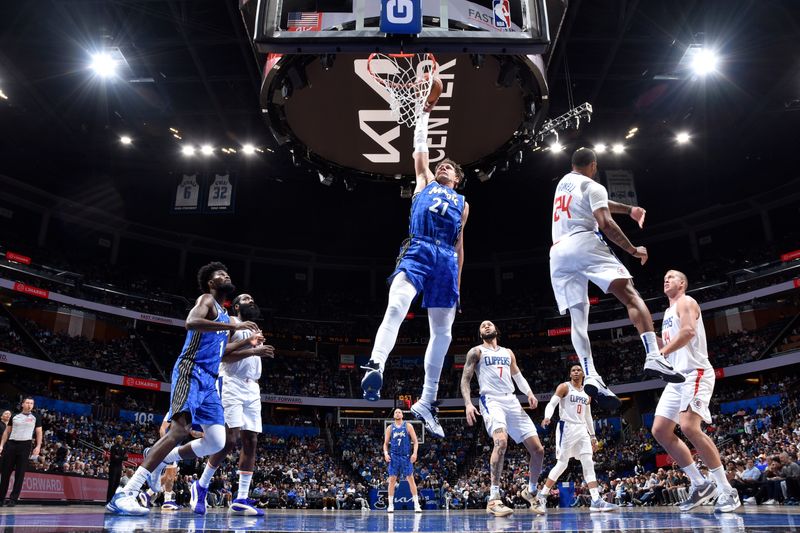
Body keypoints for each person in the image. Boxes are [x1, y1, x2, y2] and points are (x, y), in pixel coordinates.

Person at [106, 262, 258, 515]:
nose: (226, 275)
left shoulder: (223, 313)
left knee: (217, 441)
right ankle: (125, 493)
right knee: (179, 430)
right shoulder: (207, 299)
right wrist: (234, 328)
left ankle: (166, 457)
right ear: (211, 283)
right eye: (220, 274)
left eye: (227, 273)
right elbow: (191, 322)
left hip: (210, 381)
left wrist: (249, 346)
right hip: (191, 370)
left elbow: (223, 351)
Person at [361, 90, 470, 439]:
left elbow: (460, 245)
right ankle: (376, 362)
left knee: (443, 332)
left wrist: (458, 283)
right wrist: (426, 110)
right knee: (397, 303)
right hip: (420, 247)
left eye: (449, 167)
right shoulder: (423, 181)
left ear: (457, 178)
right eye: (441, 164)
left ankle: (427, 400)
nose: (443, 166)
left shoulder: (463, 204)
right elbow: (419, 149)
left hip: (447, 261)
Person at [549, 147, 683, 409]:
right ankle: (653, 355)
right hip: (583, 243)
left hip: (558, 254)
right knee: (631, 295)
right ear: (594, 165)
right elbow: (605, 222)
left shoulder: (564, 183)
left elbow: (598, 202)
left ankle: (592, 375)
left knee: (579, 320)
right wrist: (633, 250)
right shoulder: (593, 185)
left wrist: (629, 209)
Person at [650, 270, 741, 513]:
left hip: (695, 372)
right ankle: (700, 484)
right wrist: (649, 338)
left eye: (671, 276)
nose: (666, 279)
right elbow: (669, 343)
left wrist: (663, 352)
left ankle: (726, 490)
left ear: (682, 283)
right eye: (665, 276)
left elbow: (688, 332)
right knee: (659, 430)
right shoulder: (668, 313)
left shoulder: (686, 302)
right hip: (677, 377)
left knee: (689, 426)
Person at [460, 320, 545, 516]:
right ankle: (494, 498)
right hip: (491, 400)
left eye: (489, 324)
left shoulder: (508, 352)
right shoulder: (476, 352)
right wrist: (467, 403)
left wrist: (529, 393)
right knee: (501, 442)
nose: (487, 326)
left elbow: (518, 376)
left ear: (496, 330)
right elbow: (465, 379)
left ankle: (530, 491)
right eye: (482, 325)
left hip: (512, 401)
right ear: (480, 334)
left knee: (538, 450)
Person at [200, 293, 274, 516]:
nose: (251, 301)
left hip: (252, 387)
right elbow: (221, 355)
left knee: (250, 440)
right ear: (236, 305)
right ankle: (201, 485)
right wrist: (254, 349)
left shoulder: (255, 327)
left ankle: (241, 498)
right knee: (229, 439)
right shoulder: (230, 322)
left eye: (252, 298)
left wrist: (257, 349)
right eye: (245, 299)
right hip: (231, 382)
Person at [538, 365, 617, 512]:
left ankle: (596, 500)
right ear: (570, 374)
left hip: (581, 429)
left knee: (588, 462)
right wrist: (547, 417)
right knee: (562, 464)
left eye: (578, 370)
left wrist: (592, 435)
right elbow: (552, 403)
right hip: (566, 427)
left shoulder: (587, 393)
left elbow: (587, 416)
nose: (575, 372)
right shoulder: (564, 387)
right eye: (573, 370)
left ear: (582, 374)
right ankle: (542, 496)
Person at [0, 397, 42, 506]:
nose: (29, 405)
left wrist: (38, 446)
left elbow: (39, 433)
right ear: (22, 404)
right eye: (27, 402)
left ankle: (13, 499)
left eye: (32, 403)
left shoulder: (36, 417)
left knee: (20, 474)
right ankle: (1, 498)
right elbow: (6, 432)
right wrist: (1, 445)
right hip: (11, 444)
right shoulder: (14, 416)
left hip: (25, 446)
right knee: (5, 472)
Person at [383, 408, 422, 513]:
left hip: (406, 456)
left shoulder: (408, 426)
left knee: (411, 479)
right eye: (395, 412)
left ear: (402, 415)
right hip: (394, 456)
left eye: (399, 412)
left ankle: (416, 505)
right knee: (392, 480)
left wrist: (415, 453)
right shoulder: (390, 428)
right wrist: (386, 454)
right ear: (394, 415)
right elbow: (385, 444)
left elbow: (415, 441)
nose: (397, 413)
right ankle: (390, 505)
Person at [106, 435, 127, 504]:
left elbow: (126, 458)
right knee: (111, 483)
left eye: (121, 439)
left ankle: (114, 500)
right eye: (118, 439)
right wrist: (121, 458)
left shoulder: (123, 448)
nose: (120, 440)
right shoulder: (113, 447)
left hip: (119, 467)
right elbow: (114, 457)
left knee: (117, 483)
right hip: (113, 466)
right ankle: (108, 500)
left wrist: (119, 457)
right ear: (116, 439)